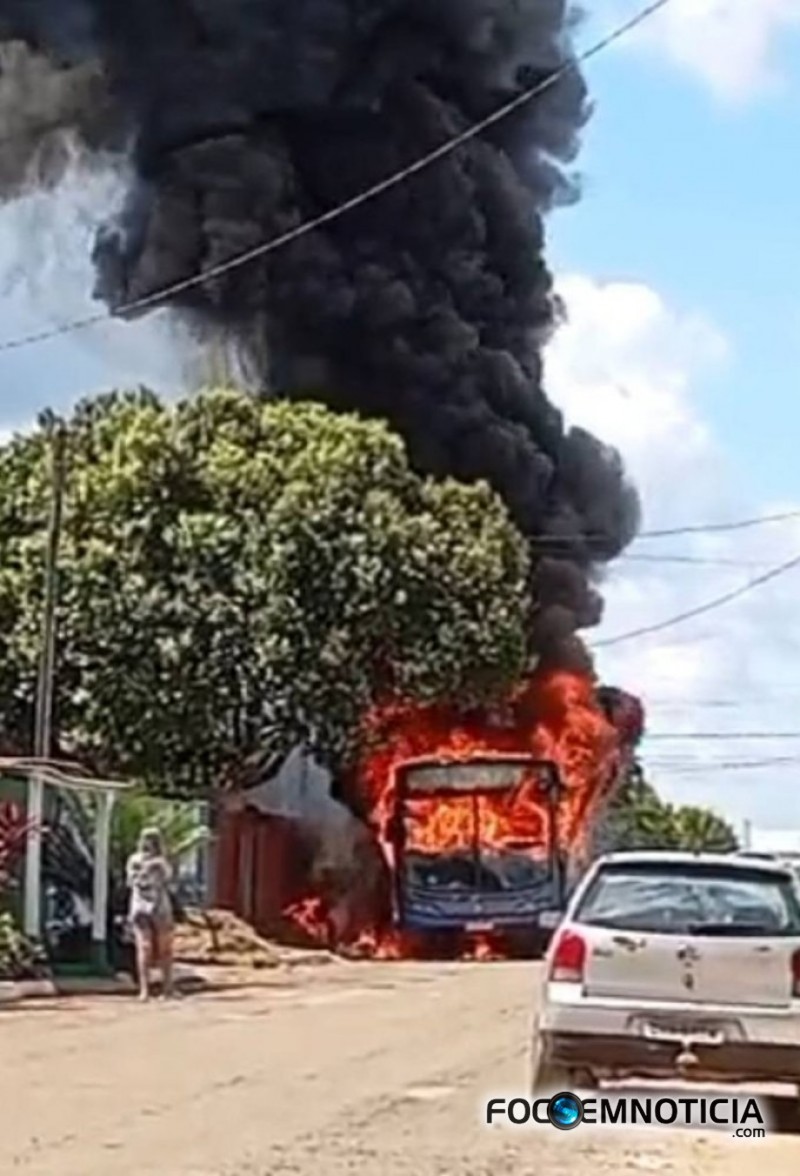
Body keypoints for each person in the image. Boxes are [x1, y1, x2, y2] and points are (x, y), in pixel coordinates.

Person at [126, 826, 175, 1001]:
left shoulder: (157, 862)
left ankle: (159, 989)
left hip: (151, 906)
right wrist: (148, 868)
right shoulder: (141, 861)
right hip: (149, 907)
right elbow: (133, 880)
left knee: (156, 948)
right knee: (152, 948)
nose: (149, 843)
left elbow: (168, 878)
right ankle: (152, 989)